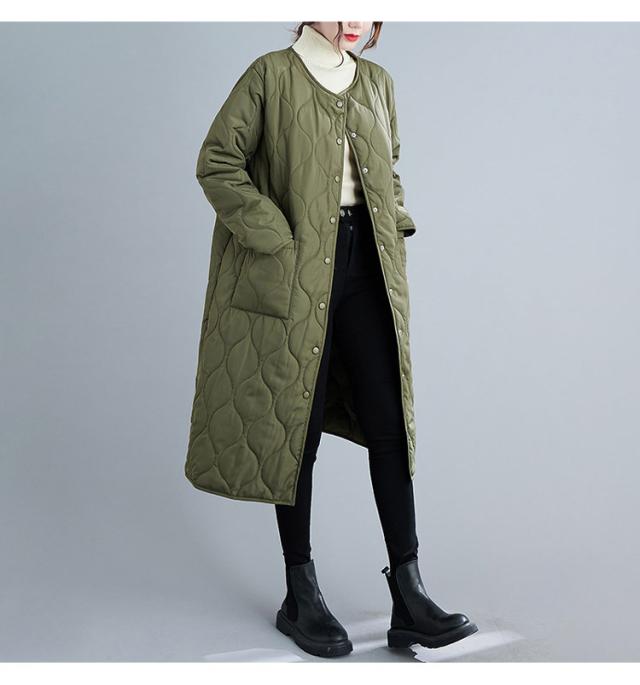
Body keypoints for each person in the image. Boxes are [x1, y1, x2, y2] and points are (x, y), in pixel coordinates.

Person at [186, 21, 478, 658]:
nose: (354, 18)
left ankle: (410, 593)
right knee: (298, 426)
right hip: (297, 268)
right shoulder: (270, 75)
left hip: (367, 266)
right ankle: (301, 593)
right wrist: (277, 236)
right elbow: (218, 163)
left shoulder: (377, 82)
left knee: (390, 423)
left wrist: (395, 220)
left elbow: (387, 168)